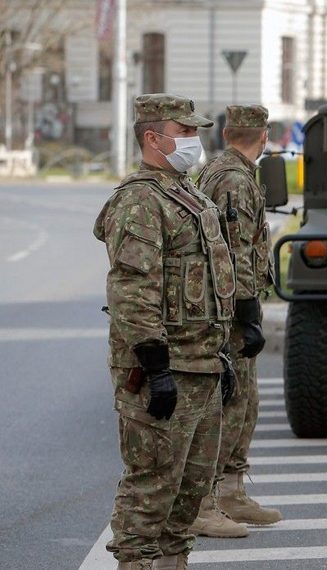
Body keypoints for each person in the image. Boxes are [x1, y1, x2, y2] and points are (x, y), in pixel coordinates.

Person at [94, 93, 235, 570]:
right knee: (151, 488)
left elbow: (208, 284)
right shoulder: (139, 199)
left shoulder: (188, 194)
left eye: (197, 132)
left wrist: (223, 358)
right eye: (186, 132)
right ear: (153, 138)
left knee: (190, 497)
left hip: (203, 363)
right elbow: (133, 288)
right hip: (164, 366)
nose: (196, 141)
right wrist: (154, 366)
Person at [191, 105, 281, 537]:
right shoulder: (234, 178)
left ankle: (231, 492)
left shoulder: (225, 171)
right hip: (229, 308)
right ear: (264, 136)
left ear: (228, 133)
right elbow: (236, 248)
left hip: (228, 303)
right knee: (229, 403)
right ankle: (207, 501)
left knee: (243, 402)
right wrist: (247, 310)